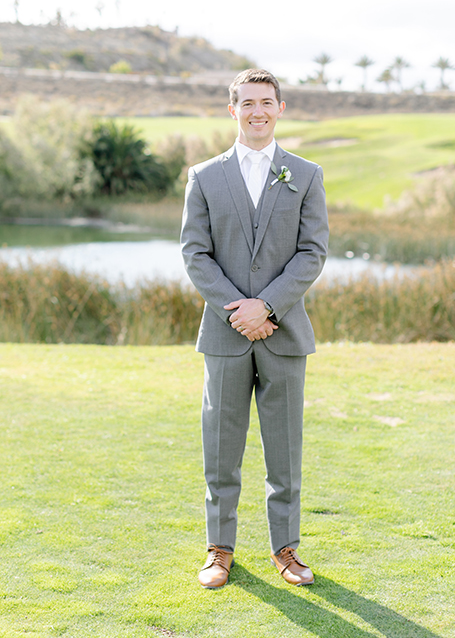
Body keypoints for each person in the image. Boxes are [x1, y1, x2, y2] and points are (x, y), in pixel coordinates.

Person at [181, 68, 329, 589]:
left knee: (284, 450)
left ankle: (285, 550)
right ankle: (219, 550)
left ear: (280, 108)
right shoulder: (203, 176)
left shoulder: (305, 174)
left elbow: (313, 253)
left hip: (284, 333)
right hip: (224, 336)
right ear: (232, 110)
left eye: (266, 102)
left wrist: (266, 307)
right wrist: (235, 310)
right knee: (220, 447)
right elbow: (194, 254)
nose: (257, 111)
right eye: (247, 103)